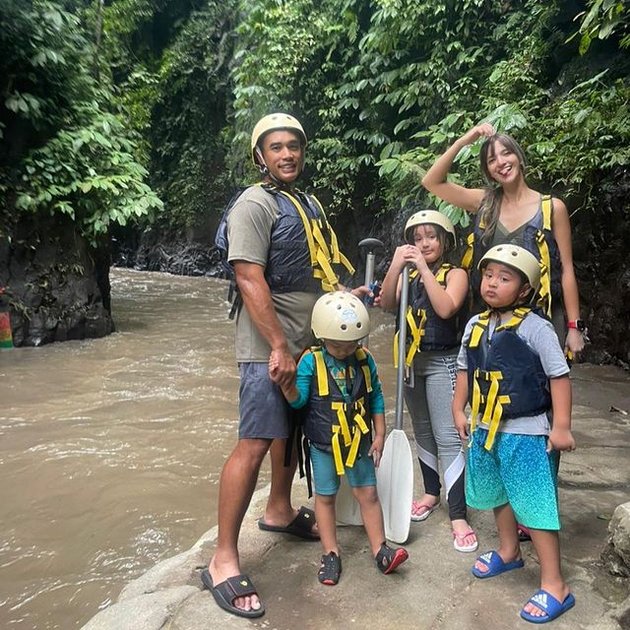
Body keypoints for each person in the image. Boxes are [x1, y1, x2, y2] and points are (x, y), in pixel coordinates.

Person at [201, 113, 366, 618]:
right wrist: (277, 345)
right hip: (268, 344)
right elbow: (250, 278)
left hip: (309, 338)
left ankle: (278, 509)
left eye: (294, 145)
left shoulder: (307, 202)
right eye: (276, 147)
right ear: (260, 156)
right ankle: (223, 560)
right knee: (255, 440)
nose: (287, 154)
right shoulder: (253, 204)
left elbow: (313, 269)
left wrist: (343, 298)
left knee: (290, 432)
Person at [452, 243, 576, 624]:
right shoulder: (475, 325)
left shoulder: (536, 328)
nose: (491, 283)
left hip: (525, 429)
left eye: (504, 278)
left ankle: (555, 584)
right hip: (487, 428)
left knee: (535, 506)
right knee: (496, 493)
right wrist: (459, 409)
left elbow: (559, 376)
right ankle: (509, 551)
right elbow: (464, 371)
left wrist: (561, 427)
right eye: (488, 275)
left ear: (524, 289)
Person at [271, 291, 409, 585]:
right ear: (322, 336)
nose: (345, 350)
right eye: (337, 345)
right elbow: (299, 403)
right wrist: (286, 387)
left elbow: (376, 396)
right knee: (326, 496)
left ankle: (380, 550)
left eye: (351, 345)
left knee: (368, 494)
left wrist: (380, 432)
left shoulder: (364, 358)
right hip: (324, 445)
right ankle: (331, 553)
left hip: (358, 440)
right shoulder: (310, 361)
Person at [421, 123, 586, 358]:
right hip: (491, 318)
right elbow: (432, 182)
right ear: (488, 171)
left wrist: (574, 326)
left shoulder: (552, 208)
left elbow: (567, 270)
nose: (501, 162)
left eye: (506, 153)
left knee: (543, 389)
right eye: (491, 159)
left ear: (519, 157)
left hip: (540, 317)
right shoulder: (485, 203)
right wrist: (463, 141)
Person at [380, 209, 477, 553]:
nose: (424, 244)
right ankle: (431, 493)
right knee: (421, 431)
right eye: (417, 238)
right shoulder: (406, 274)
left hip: (443, 361)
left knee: (447, 436)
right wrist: (396, 266)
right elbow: (388, 304)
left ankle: (459, 515)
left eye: (430, 237)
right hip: (410, 363)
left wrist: (421, 268)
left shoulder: (457, 274)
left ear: (444, 240)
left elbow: (447, 308)